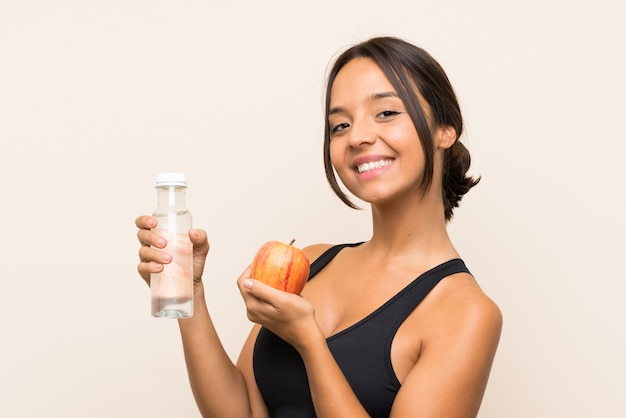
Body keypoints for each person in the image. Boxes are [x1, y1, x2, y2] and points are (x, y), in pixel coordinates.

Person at [136, 36, 502, 418]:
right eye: (340, 125)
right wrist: (190, 296)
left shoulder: (467, 312)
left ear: (446, 129)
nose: (357, 136)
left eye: (387, 113)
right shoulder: (311, 263)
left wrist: (310, 343)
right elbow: (241, 412)